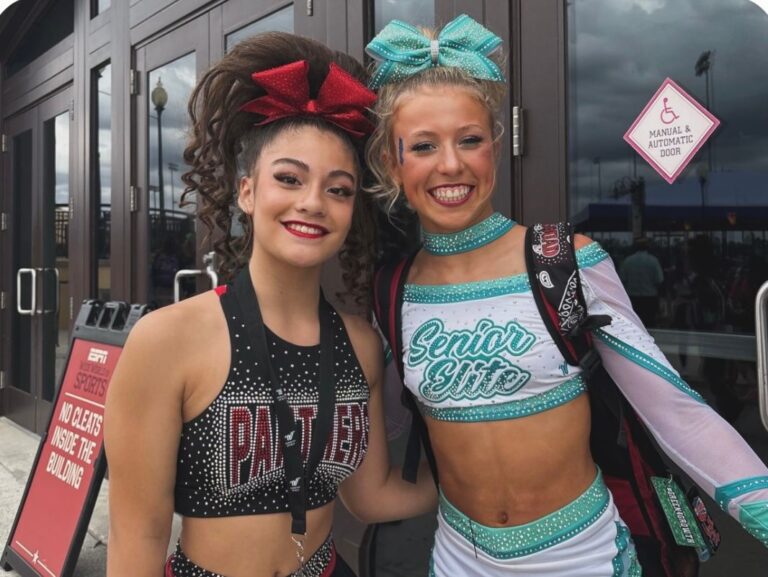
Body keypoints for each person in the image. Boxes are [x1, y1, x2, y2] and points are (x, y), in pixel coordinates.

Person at [364, 14, 768, 576]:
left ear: (495, 147)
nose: (450, 164)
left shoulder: (564, 261)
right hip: (459, 562)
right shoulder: (393, 291)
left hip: (586, 557)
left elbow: (677, 413)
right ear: (392, 161)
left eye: (469, 140)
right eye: (424, 145)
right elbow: (380, 430)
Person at [104, 32, 436, 577]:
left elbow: (371, 496)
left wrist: (485, 482)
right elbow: (137, 534)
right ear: (247, 191)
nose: (313, 202)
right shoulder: (167, 341)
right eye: (289, 178)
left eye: (338, 189)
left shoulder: (360, 345)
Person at [619, 237, 664, 326]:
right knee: (649, 323)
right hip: (650, 297)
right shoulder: (653, 261)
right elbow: (659, 280)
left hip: (633, 297)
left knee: (635, 324)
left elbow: (622, 279)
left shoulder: (628, 261)